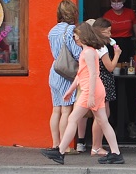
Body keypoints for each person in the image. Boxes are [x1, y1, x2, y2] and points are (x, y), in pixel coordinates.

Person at [41, 24, 124, 165]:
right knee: (103, 121)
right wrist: (71, 90)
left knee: (73, 119)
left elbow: (93, 74)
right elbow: (81, 74)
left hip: (90, 91)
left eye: (75, 36)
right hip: (93, 90)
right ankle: (116, 153)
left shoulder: (88, 53)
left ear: (83, 37)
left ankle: (60, 151)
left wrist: (90, 95)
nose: (74, 39)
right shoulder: (87, 51)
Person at [103, 0, 136, 140]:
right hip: (112, 48)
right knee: (112, 89)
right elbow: (103, 35)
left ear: (124, 0)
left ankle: (131, 124)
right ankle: (113, 124)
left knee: (131, 90)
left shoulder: (130, 14)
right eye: (114, 1)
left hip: (128, 48)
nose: (116, 4)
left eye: (119, 1)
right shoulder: (107, 15)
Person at [47, 0, 82, 151]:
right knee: (66, 110)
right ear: (73, 13)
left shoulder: (52, 30)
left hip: (55, 70)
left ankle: (55, 143)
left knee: (56, 110)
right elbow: (76, 53)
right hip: (67, 73)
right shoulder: (71, 31)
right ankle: (64, 146)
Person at [90, 18, 122, 157]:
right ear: (99, 31)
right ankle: (96, 146)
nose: (110, 34)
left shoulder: (91, 45)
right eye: (107, 31)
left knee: (101, 115)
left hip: (98, 80)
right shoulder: (101, 47)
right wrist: (117, 55)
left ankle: (96, 145)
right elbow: (110, 67)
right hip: (104, 80)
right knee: (102, 116)